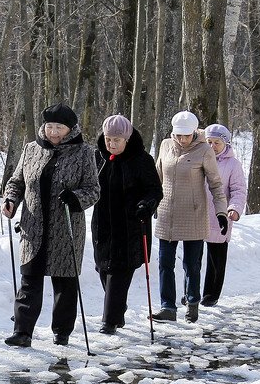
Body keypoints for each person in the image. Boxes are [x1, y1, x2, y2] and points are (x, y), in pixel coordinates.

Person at [0, 103, 99, 347]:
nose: (54, 132)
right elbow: (17, 181)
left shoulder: (84, 153)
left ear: (71, 129)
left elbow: (93, 190)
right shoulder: (31, 149)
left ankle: (61, 332)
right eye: (50, 126)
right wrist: (11, 199)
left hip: (65, 227)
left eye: (60, 127)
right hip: (33, 226)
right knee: (29, 279)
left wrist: (76, 198)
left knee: (64, 283)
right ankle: (22, 331)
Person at [152, 110, 228, 323]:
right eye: (179, 135)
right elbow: (157, 177)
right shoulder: (166, 145)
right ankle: (167, 307)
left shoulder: (204, 150)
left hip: (194, 213)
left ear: (194, 132)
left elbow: (215, 184)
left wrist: (221, 212)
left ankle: (192, 303)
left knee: (191, 263)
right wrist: (148, 202)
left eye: (186, 135)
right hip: (167, 213)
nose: (182, 139)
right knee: (165, 262)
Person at [90, 114, 163, 334]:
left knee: (119, 272)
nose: (111, 144)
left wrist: (146, 205)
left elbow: (155, 190)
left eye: (116, 140)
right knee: (104, 269)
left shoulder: (142, 160)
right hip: (103, 226)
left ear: (127, 139)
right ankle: (117, 308)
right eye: (108, 139)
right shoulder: (98, 159)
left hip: (130, 226)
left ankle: (109, 321)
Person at [199, 123, 247, 306]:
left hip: (220, 215)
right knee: (194, 258)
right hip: (198, 214)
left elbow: (238, 190)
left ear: (225, 144)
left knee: (216, 257)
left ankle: (211, 294)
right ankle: (192, 293)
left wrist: (234, 208)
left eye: (216, 142)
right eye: (209, 142)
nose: (212, 146)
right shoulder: (199, 159)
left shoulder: (233, 165)